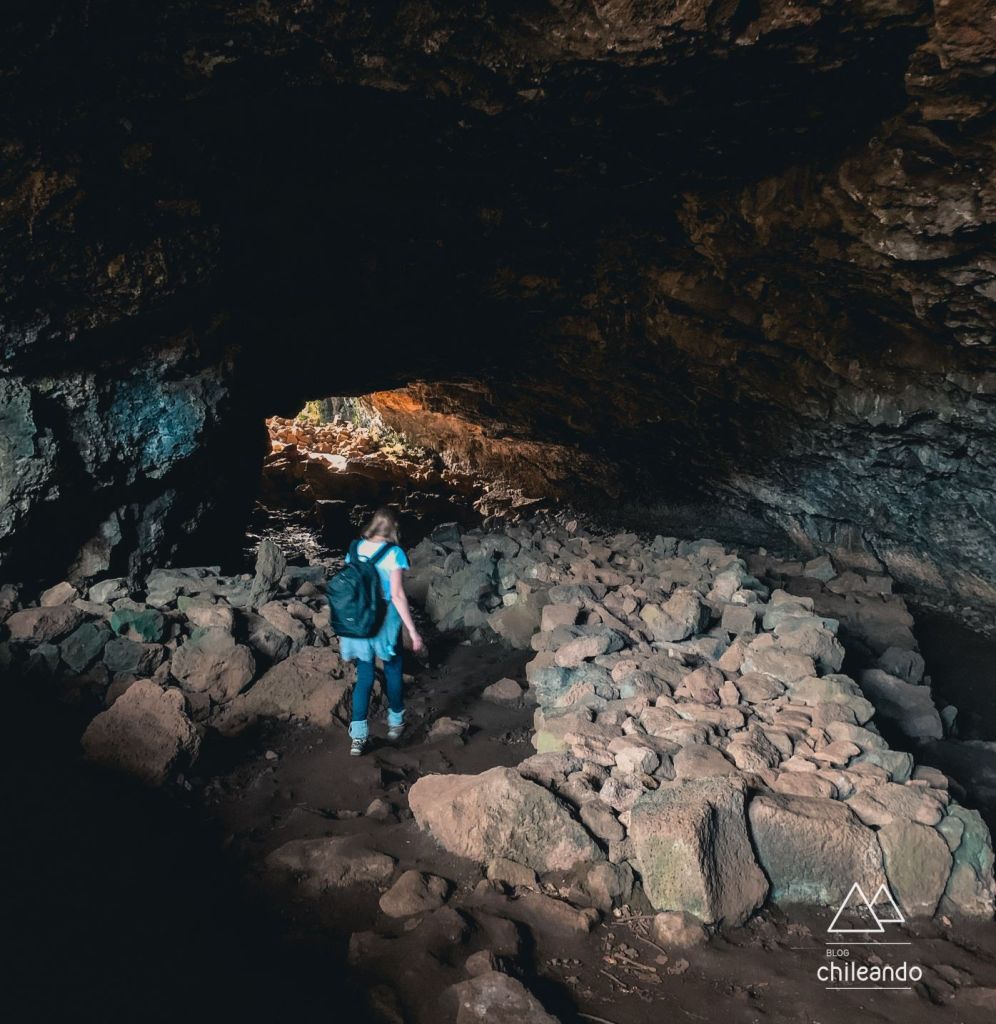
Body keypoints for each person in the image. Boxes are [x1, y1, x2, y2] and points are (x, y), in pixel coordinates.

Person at [338, 507, 424, 756]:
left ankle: (358, 739)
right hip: (386, 622)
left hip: (360, 621)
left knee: (364, 677)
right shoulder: (394, 553)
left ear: (373, 525)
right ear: (394, 529)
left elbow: (349, 585)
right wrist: (413, 631)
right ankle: (396, 724)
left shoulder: (354, 549)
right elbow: (397, 595)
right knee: (393, 670)